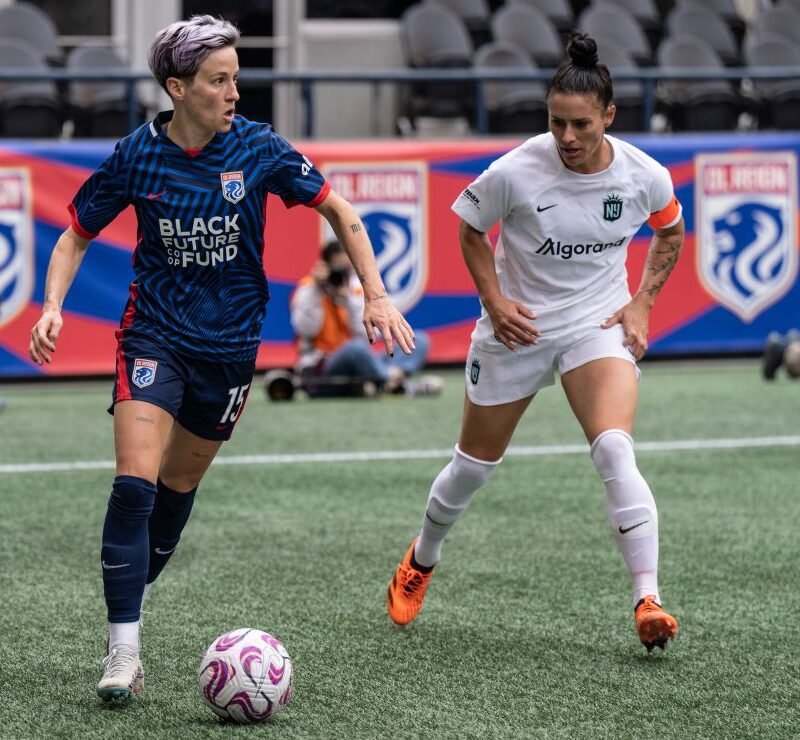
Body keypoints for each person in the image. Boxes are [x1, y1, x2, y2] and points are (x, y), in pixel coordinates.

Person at [28, 15, 414, 701]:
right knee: (133, 486)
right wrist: (54, 305)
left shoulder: (261, 149)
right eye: (218, 80)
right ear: (177, 87)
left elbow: (342, 213)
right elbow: (74, 237)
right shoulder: (136, 156)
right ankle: (124, 654)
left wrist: (375, 295)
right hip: (153, 337)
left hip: (231, 352)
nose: (234, 92)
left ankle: (129, 596)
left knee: (175, 495)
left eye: (236, 78)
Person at [386, 31, 685, 653]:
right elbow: (469, 228)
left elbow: (670, 233)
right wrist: (494, 303)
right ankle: (422, 557)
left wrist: (642, 304)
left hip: (596, 326)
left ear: (609, 115)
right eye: (556, 124)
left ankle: (648, 598)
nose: (567, 138)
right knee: (472, 468)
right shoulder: (517, 169)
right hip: (515, 332)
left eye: (580, 124)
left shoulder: (644, 176)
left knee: (614, 452)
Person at [290, 239, 442, 397]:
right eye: (337, 269)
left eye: (346, 269)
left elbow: (366, 335)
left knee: (418, 340)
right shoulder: (308, 289)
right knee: (355, 348)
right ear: (325, 266)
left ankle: (387, 381)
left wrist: (348, 299)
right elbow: (306, 329)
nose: (341, 275)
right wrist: (317, 289)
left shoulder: (356, 288)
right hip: (324, 367)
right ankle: (400, 385)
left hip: (363, 361)